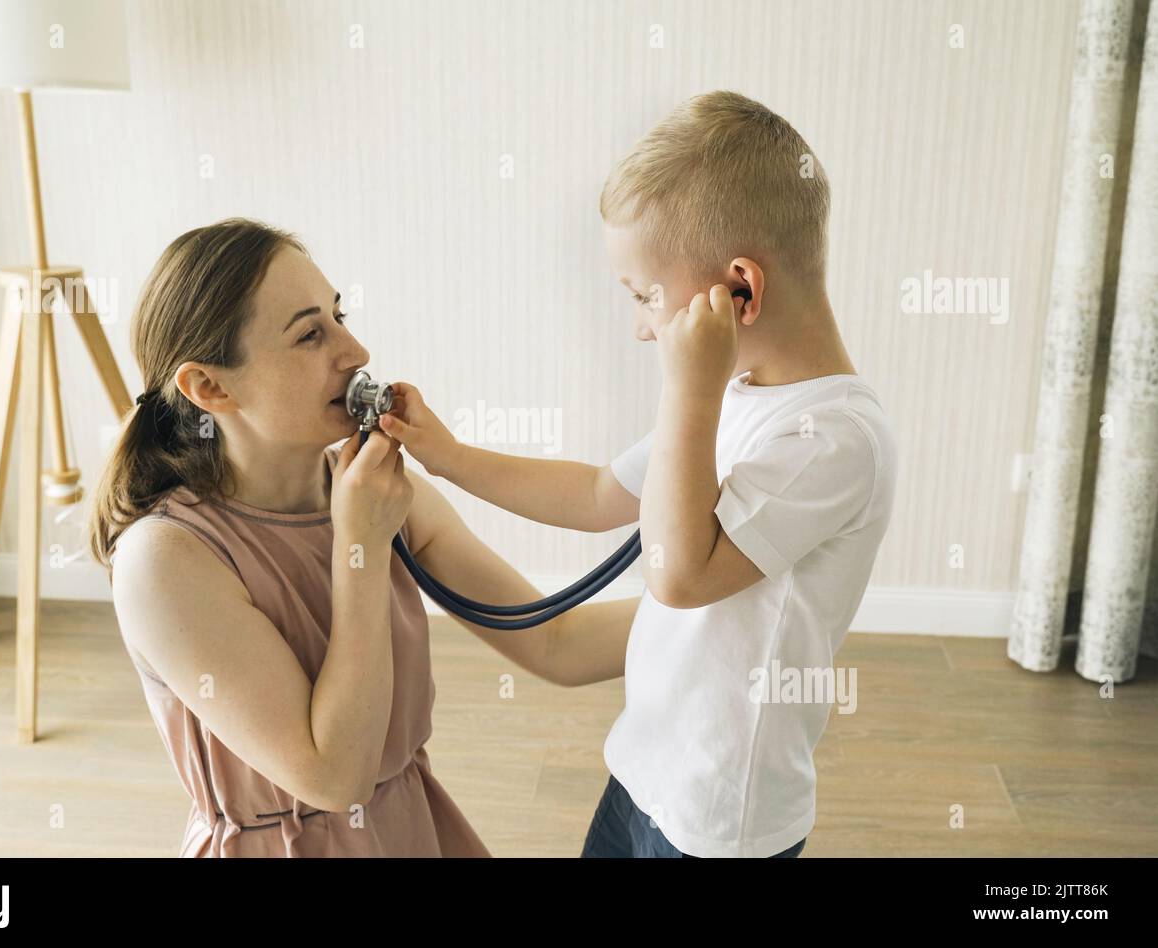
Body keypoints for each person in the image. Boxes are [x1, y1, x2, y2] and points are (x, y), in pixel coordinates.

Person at [378, 90, 898, 858]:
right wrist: (448, 457)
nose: (640, 327)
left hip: (720, 817)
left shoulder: (835, 439)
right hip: (647, 769)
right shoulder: (735, 397)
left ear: (740, 290)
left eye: (645, 298)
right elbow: (597, 495)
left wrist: (688, 388)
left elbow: (679, 574)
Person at [89, 218, 638, 856]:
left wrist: (729, 602)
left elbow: (554, 642)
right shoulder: (165, 560)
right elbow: (335, 776)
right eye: (310, 335)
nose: (355, 353)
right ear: (210, 387)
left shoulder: (375, 498)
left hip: (409, 827)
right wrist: (360, 551)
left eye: (339, 316)